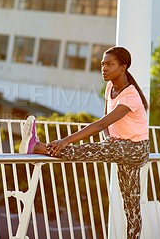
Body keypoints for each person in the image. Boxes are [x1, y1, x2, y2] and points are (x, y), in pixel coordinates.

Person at [19, 46, 150, 239]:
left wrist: (64, 141)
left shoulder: (130, 95)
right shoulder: (110, 87)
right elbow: (106, 120)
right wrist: (110, 138)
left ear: (123, 67)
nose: (104, 68)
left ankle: (39, 147)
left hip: (137, 149)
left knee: (94, 150)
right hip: (121, 146)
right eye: (102, 64)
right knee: (130, 204)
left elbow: (101, 123)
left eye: (110, 64)